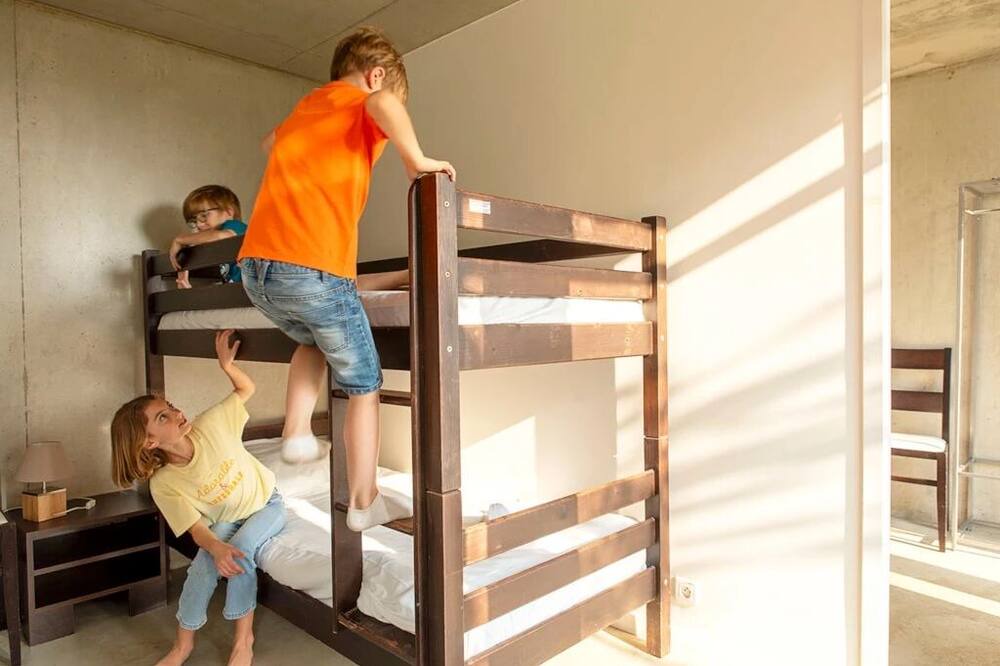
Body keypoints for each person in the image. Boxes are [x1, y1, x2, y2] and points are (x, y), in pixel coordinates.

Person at [236, 27, 455, 532]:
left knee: (315, 339)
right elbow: (382, 103)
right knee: (363, 382)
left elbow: (270, 141)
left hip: (258, 270)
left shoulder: (311, 105)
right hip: (312, 265)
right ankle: (364, 501)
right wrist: (416, 160)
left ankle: (295, 432)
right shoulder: (367, 99)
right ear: (376, 75)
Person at [110, 330, 283, 666]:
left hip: (267, 504)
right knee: (204, 565)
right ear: (149, 443)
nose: (176, 414)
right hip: (225, 520)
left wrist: (227, 366)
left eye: (170, 407)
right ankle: (182, 645)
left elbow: (245, 389)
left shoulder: (212, 423)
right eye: (163, 418)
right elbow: (196, 530)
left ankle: (243, 641)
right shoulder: (164, 483)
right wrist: (215, 548)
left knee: (240, 552)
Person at [171, 185, 248, 289]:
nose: (198, 224)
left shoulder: (235, 226)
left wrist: (179, 240)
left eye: (204, 216)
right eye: (194, 221)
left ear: (229, 212)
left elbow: (221, 236)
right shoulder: (218, 249)